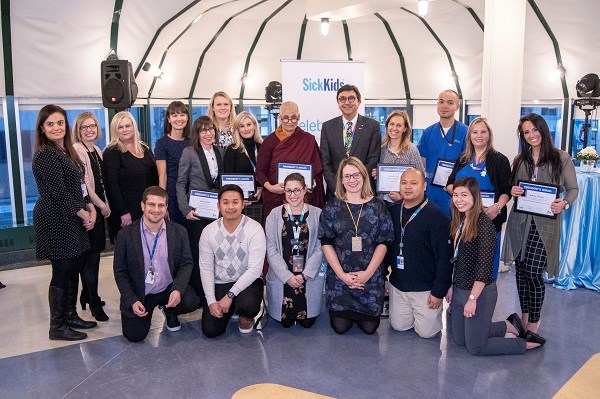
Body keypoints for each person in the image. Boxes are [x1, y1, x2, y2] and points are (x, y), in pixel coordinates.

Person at [448, 177, 545, 355]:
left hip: (479, 292)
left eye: (464, 195)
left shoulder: (484, 224)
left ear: (475, 197)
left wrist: (472, 299)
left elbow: (484, 269)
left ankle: (525, 344)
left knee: (476, 347)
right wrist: (450, 286)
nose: (459, 199)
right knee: (460, 340)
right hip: (460, 287)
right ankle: (507, 325)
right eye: (455, 195)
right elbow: (455, 259)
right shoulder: (460, 219)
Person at [502, 113, 578, 333]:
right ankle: (524, 314)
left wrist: (564, 203)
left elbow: (573, 189)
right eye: (526, 132)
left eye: (535, 130)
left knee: (535, 271)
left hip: (546, 224)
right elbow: (514, 187)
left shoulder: (561, 158)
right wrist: (513, 190)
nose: (531, 135)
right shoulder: (520, 160)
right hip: (521, 221)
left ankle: (534, 319)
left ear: (543, 130)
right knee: (521, 270)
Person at [32, 104, 98, 341]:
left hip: (71, 216)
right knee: (61, 271)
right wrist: (83, 213)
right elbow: (59, 193)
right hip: (54, 218)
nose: (56, 127)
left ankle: (70, 315)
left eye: (60, 123)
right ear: (42, 127)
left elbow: (78, 185)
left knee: (73, 268)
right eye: (50, 124)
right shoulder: (45, 155)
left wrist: (89, 205)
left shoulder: (65, 150)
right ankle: (57, 326)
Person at [113, 186, 200, 342]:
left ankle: (170, 310)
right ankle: (146, 308)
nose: (156, 209)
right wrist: (132, 299)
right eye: (151, 204)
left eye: (161, 205)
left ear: (166, 207)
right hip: (141, 292)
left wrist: (178, 289)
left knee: (191, 300)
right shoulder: (125, 235)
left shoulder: (179, 232)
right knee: (134, 335)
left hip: (168, 287)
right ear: (142, 206)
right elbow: (120, 271)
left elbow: (186, 263)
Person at [318, 157, 394, 335]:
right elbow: (326, 243)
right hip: (340, 279)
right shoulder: (332, 207)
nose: (352, 180)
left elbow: (383, 242)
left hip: (370, 277)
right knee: (340, 328)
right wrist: (342, 276)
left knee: (370, 329)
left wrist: (367, 274)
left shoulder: (378, 206)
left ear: (364, 176)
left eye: (356, 175)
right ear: (341, 180)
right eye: (347, 176)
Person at [385, 168, 452, 338]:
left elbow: (445, 258)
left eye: (413, 183)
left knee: (427, 334)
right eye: (404, 183)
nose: (408, 187)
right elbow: (385, 250)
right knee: (398, 326)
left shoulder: (438, 217)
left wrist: (438, 292)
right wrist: (383, 279)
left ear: (424, 186)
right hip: (399, 285)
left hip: (425, 289)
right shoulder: (392, 212)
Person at [446, 117, 511, 280]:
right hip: (462, 220)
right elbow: (448, 185)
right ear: (470, 136)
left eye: (483, 131)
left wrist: (497, 206)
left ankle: (482, 300)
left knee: (486, 266)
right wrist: (462, 195)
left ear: (489, 134)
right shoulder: (463, 158)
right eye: (475, 132)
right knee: (462, 264)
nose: (479, 135)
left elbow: (506, 191)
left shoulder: (499, 160)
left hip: (488, 219)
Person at [199, 185, 266, 338]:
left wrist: (229, 296)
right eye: (225, 202)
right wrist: (211, 301)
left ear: (243, 204)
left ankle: (245, 315)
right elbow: (206, 269)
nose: (230, 207)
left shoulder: (254, 229)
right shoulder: (208, 231)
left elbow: (255, 270)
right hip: (220, 281)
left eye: (235, 202)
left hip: (247, 282)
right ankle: (230, 310)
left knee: (248, 305)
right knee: (211, 331)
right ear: (218, 205)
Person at [265, 173, 324, 328]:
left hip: (307, 276)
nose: (293, 195)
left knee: (307, 322)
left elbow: (320, 248)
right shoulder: (274, 215)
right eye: (289, 191)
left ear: (305, 190)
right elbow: (270, 249)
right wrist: (287, 276)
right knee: (285, 323)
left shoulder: (317, 213)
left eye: (297, 190)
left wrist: (305, 275)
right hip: (283, 277)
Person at [176, 116, 224, 300]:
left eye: (211, 129)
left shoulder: (220, 151)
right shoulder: (189, 152)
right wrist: (185, 208)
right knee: (198, 252)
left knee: (216, 251)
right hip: (196, 212)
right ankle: (200, 294)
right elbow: (180, 183)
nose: (208, 133)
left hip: (217, 211)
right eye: (203, 130)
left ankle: (216, 291)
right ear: (197, 133)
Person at [255, 101, 325, 225]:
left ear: (298, 117)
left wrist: (313, 181)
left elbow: (318, 169)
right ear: (279, 118)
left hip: (303, 198)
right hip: (277, 197)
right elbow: (260, 171)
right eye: (285, 117)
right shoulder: (270, 141)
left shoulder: (308, 139)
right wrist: (270, 187)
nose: (289, 121)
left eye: (293, 117)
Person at [72, 112, 110, 321]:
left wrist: (106, 204)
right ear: (78, 129)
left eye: (93, 126)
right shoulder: (78, 149)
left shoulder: (96, 150)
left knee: (93, 257)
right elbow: (85, 185)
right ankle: (93, 302)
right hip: (88, 210)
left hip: (98, 206)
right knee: (91, 260)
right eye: (85, 127)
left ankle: (87, 294)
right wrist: (101, 205)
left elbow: (102, 181)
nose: (89, 130)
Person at [103, 111, 159, 243]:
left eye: (127, 126)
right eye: (120, 127)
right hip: (126, 213)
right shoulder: (112, 152)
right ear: (114, 130)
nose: (124, 130)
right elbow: (111, 186)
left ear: (134, 126)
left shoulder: (144, 148)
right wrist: (123, 212)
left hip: (147, 210)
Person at [320, 84, 381, 200]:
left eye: (351, 98)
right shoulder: (328, 127)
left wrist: (356, 186)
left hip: (364, 192)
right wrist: (338, 189)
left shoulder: (372, 126)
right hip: (336, 194)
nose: (347, 102)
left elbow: (373, 159)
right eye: (342, 99)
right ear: (338, 103)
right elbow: (325, 162)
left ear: (358, 101)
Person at [417, 89, 468, 215]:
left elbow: (468, 163)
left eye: (450, 103)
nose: (444, 106)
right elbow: (421, 162)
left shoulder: (465, 132)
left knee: (451, 229)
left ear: (457, 106)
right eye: (441, 102)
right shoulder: (428, 132)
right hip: (430, 190)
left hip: (452, 190)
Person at [372, 110, 424, 204]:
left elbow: (421, 178)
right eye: (391, 124)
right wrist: (376, 173)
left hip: (405, 204)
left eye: (399, 125)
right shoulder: (380, 149)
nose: (394, 128)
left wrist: (402, 197)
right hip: (381, 203)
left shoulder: (412, 150)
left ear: (405, 129)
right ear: (387, 126)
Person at [154, 101, 191, 225]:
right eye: (174, 115)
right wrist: (162, 204)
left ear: (187, 117)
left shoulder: (192, 142)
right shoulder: (162, 143)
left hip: (191, 193)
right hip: (172, 193)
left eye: (182, 115)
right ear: (169, 119)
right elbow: (162, 176)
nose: (179, 119)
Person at [223, 111, 263, 218]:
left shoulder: (262, 147)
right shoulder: (232, 150)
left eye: (249, 124)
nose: (246, 129)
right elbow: (228, 181)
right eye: (242, 126)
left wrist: (261, 189)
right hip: (239, 205)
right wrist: (239, 198)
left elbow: (267, 173)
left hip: (261, 203)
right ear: (237, 129)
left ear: (255, 125)